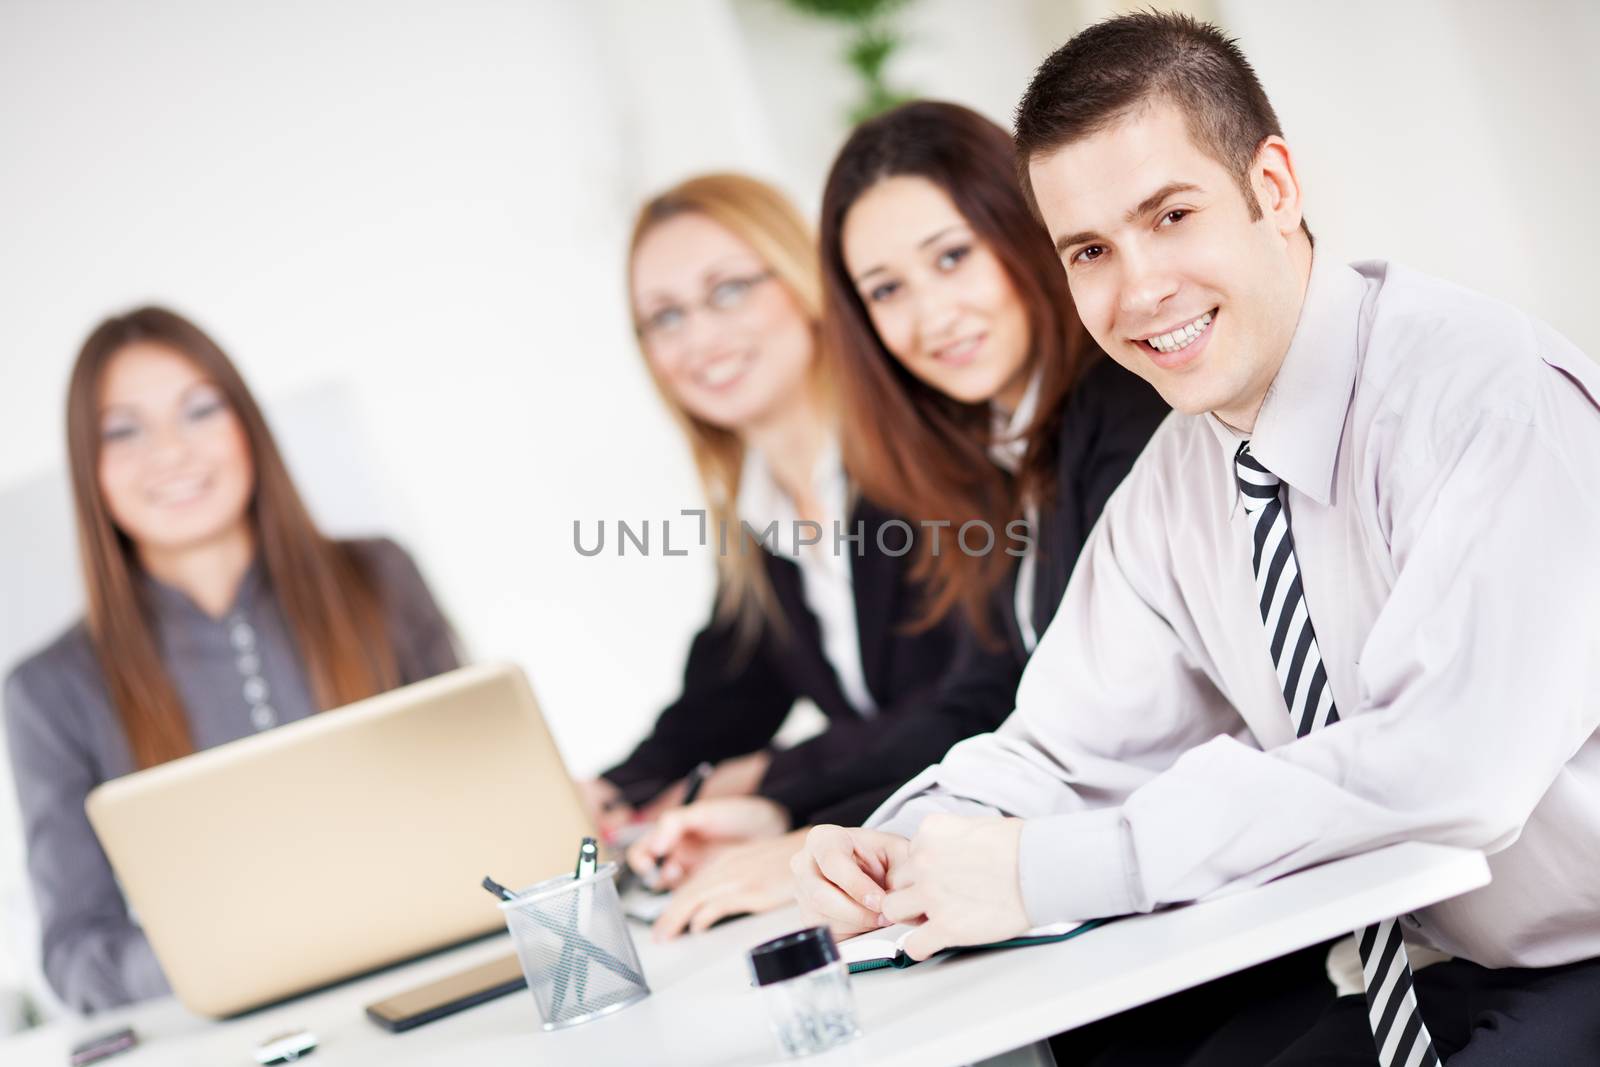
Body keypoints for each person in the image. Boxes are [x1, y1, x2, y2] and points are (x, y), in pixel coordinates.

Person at [794, 12, 1600, 1066]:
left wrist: (1059, 869)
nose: (1136, 290)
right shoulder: (1178, 477)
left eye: (1170, 215)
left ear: (1272, 186)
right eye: (1089, 249)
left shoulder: (1488, 400)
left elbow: (1452, 767)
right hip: (1443, 972)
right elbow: (1065, 745)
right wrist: (907, 843)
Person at [633, 101, 1170, 928]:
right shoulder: (997, 439)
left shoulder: (1110, 412)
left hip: (1163, 883)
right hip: (1072, 877)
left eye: (952, 257)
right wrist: (783, 814)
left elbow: (1060, 717)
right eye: (888, 288)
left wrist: (814, 813)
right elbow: (996, 694)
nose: (930, 315)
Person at [3, 307, 459, 1013]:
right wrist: (243, 943)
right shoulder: (48, 689)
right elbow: (76, 954)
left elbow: (477, 806)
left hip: (445, 980)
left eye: (199, 410)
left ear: (247, 423)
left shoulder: (380, 577)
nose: (171, 453)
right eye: (122, 430)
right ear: (87, 467)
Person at [585, 174, 1004, 937]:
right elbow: (726, 695)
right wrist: (611, 792)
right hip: (911, 881)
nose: (699, 338)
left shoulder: (932, 451)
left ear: (806, 283)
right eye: (665, 316)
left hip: (1004, 851)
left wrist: (774, 782)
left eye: (728, 291)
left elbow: (985, 697)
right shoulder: (760, 512)